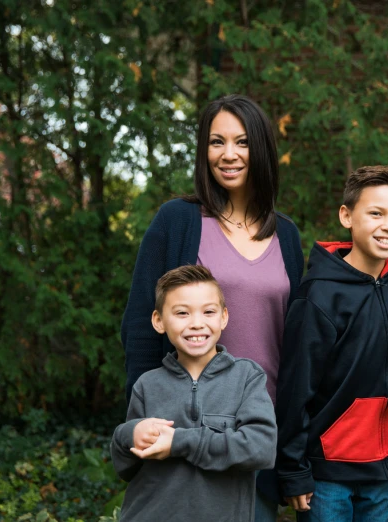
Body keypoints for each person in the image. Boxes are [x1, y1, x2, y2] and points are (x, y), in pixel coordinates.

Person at [120, 93, 304, 519]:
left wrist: (294, 444)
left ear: (260, 148)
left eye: (241, 142)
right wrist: (145, 417)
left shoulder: (287, 236)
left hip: (256, 433)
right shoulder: (178, 221)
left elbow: (295, 345)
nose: (229, 154)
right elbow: (139, 327)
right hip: (184, 429)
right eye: (216, 142)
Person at [276, 166, 388, 522]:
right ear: (346, 216)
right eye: (376, 213)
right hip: (328, 472)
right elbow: (295, 387)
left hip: (387, 470)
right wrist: (293, 470)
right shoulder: (319, 294)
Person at [111, 265, 277, 521]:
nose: (197, 324)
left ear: (223, 317)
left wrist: (179, 442)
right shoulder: (147, 384)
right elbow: (127, 467)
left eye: (208, 312)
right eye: (182, 313)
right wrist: (129, 434)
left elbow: (261, 448)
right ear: (159, 321)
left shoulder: (246, 378)